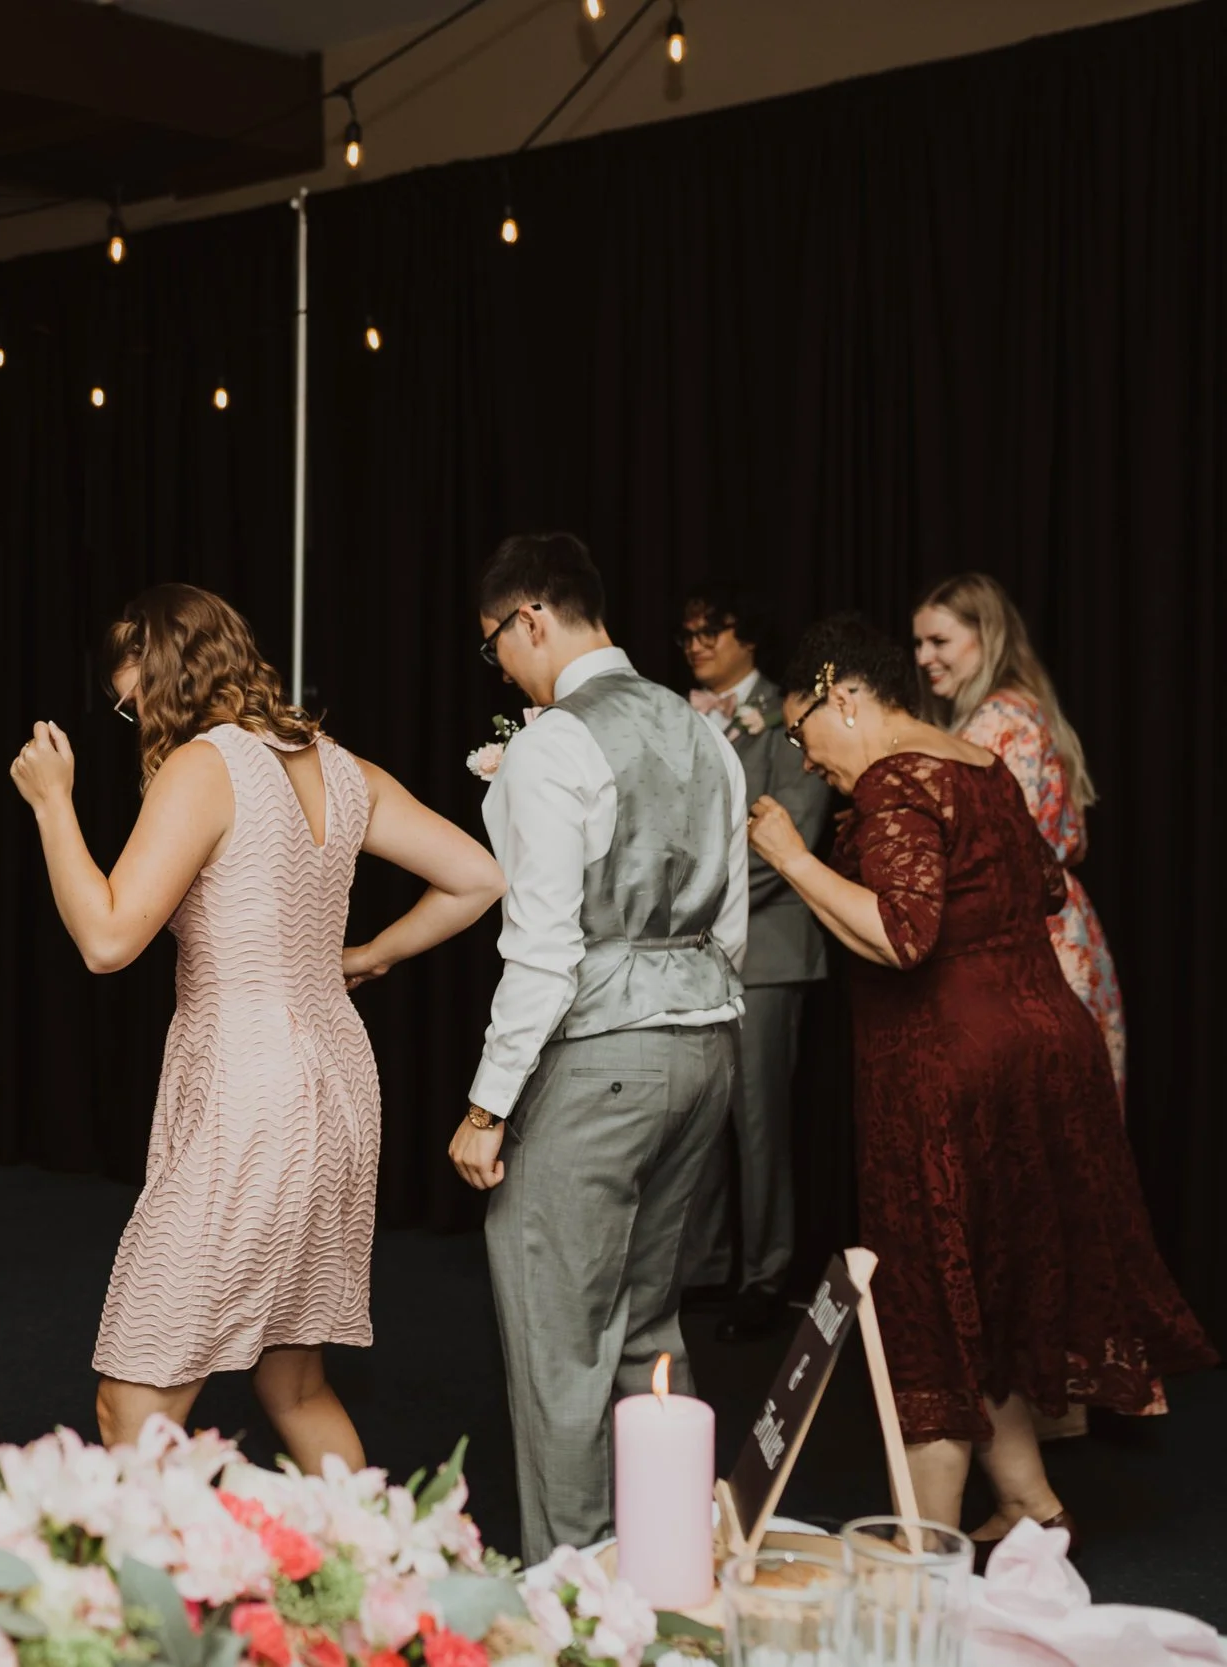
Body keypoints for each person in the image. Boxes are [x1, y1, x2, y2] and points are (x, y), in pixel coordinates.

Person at [7, 583, 504, 1470]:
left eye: (134, 696)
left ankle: (171, 1602)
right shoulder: (344, 767)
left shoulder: (205, 766)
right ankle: (375, 1583)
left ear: (169, 674)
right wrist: (366, 954)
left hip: (250, 1094)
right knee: (296, 1386)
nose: (133, 716)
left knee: (131, 1406)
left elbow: (108, 939)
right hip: (340, 1085)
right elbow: (475, 875)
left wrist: (52, 803)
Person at [746, 614, 1210, 1546]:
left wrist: (794, 859)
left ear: (845, 694)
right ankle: (1032, 1503)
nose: (806, 758)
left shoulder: (895, 783)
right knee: (987, 1291)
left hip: (949, 1073)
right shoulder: (977, 764)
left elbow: (900, 934)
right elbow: (1042, 886)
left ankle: (924, 1544)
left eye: (803, 732)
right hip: (1046, 1054)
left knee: (929, 1297)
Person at [458, 534, 746, 1560]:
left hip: (601, 1055)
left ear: (531, 617)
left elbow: (542, 946)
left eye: (495, 643)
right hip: (705, 1043)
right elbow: (734, 918)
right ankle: (667, 1564)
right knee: (643, 1312)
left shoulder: (553, 741)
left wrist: (487, 1104)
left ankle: (569, 1588)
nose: (499, 666)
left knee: (558, 1341)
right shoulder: (703, 729)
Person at [675, 586, 829, 1342]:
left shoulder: (786, 710)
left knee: (760, 1120)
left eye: (712, 628)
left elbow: (792, 834)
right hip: (695, 951)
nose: (697, 642)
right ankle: (703, 1262)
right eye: (689, 632)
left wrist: (686, 900)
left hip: (766, 945)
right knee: (701, 1112)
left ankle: (765, 1273)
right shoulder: (683, 711)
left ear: (748, 635)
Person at [912, 573, 1124, 1097]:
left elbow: (994, 857)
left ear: (988, 637)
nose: (922, 657)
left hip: (1032, 939)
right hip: (1052, 925)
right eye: (918, 642)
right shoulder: (1018, 710)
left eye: (939, 641)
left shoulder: (998, 722)